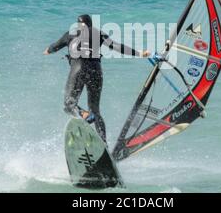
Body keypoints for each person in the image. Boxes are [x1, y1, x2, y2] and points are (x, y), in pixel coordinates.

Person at [44, 14, 150, 143]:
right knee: (95, 109)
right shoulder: (98, 33)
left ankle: (83, 114)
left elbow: (54, 47)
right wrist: (139, 53)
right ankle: (103, 142)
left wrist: (47, 51)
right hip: (96, 71)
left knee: (68, 105)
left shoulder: (70, 34)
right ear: (91, 25)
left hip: (79, 69)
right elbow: (116, 46)